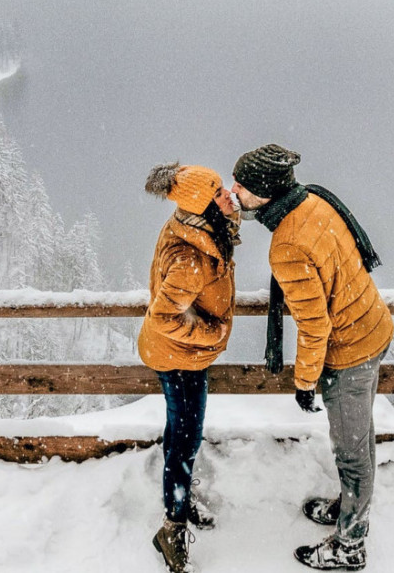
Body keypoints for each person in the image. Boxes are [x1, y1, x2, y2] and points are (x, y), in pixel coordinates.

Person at [231, 144, 393, 572]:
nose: (234, 192)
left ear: (264, 194)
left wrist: (304, 382)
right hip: (372, 326)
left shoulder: (287, 244)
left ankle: (349, 546)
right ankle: (349, 510)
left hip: (350, 352)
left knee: (351, 452)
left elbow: (314, 324)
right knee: (360, 438)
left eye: (241, 186)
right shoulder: (313, 199)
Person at [140, 162, 240, 573]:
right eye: (219, 192)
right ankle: (172, 526)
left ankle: (178, 499)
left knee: (180, 432)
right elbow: (162, 317)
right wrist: (211, 335)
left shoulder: (195, 228)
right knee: (185, 438)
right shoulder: (190, 259)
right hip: (179, 358)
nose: (228, 195)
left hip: (179, 355)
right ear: (204, 207)